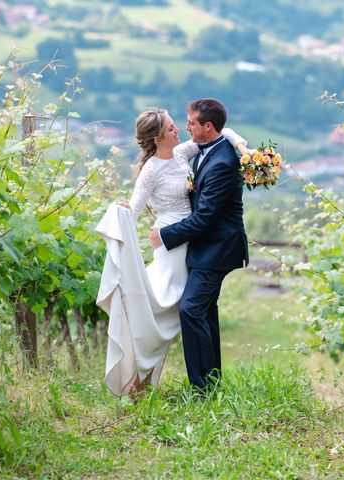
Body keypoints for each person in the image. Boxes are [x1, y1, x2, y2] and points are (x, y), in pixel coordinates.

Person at [96, 107, 248, 399]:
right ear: (156, 137)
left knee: (185, 312)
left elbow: (219, 133)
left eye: (179, 126)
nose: (179, 130)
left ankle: (200, 387)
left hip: (191, 241)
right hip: (170, 243)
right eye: (170, 129)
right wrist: (121, 211)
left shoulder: (181, 153)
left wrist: (241, 145)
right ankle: (138, 379)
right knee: (161, 312)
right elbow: (136, 208)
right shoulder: (151, 170)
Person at [149, 98, 249, 393]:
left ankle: (201, 390)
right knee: (204, 311)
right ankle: (211, 384)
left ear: (208, 126)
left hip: (216, 249)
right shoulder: (211, 149)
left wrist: (165, 236)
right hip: (207, 247)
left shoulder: (221, 163)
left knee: (191, 310)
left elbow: (204, 218)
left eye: (191, 122)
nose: (186, 127)